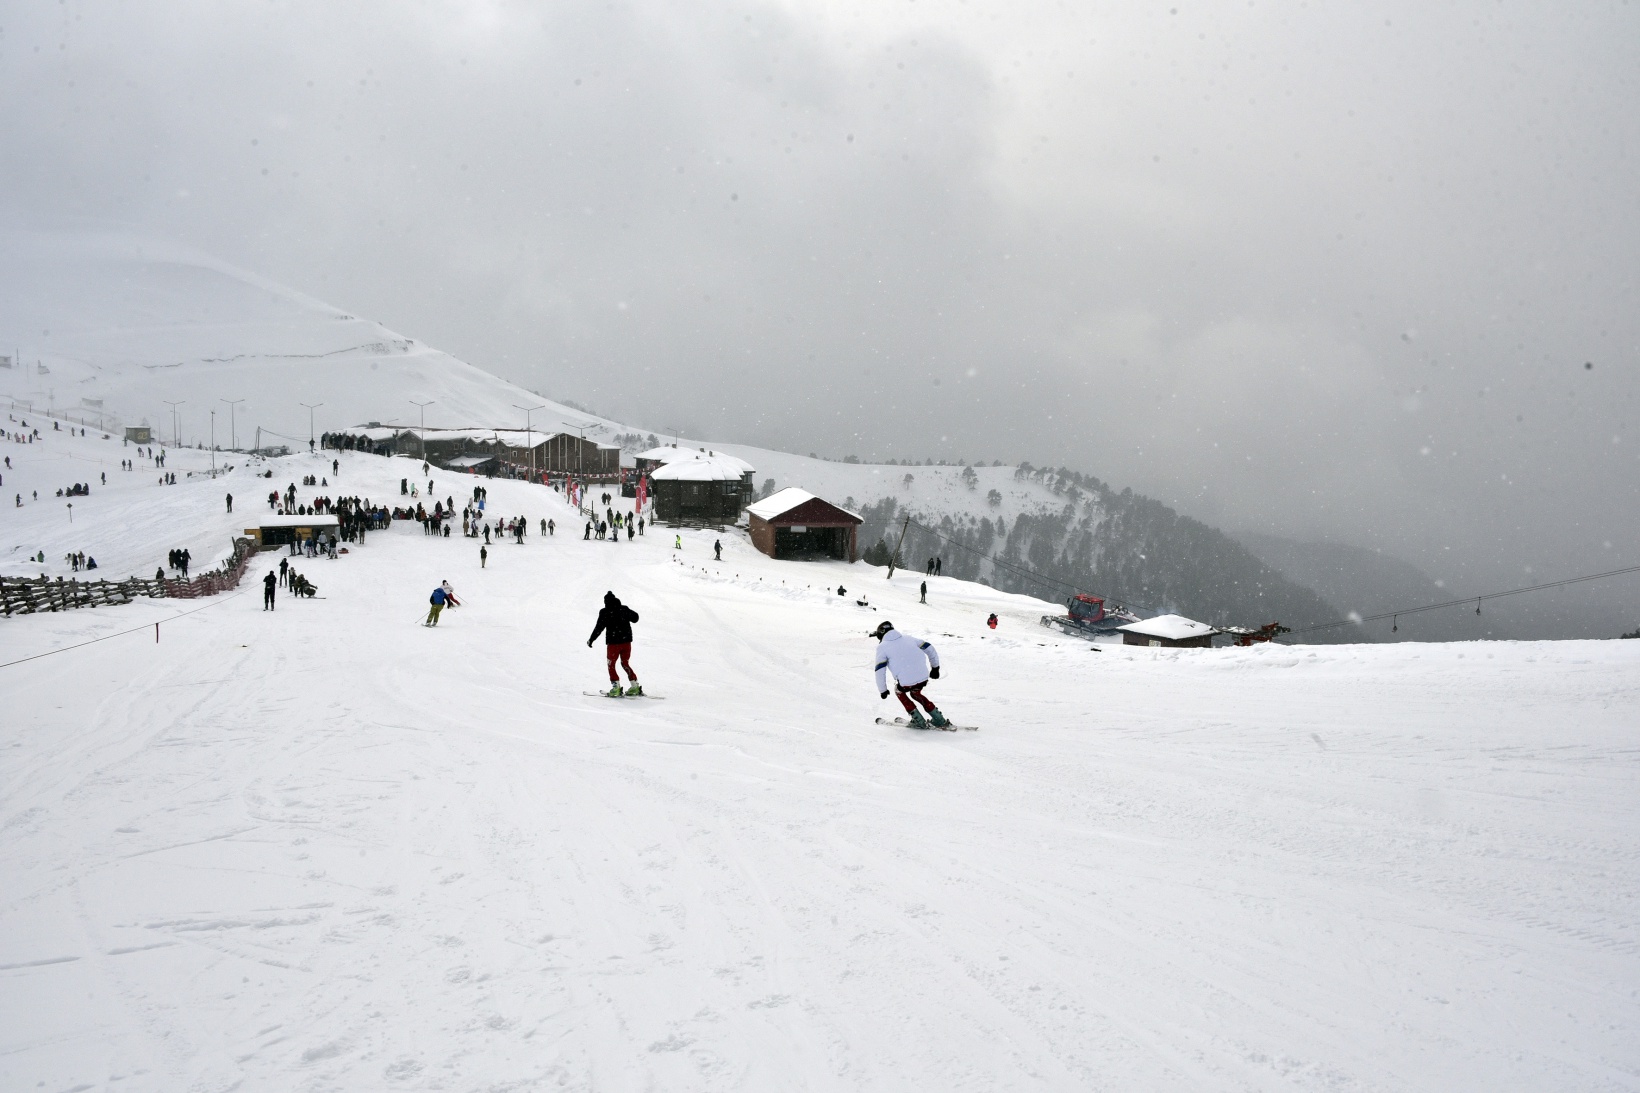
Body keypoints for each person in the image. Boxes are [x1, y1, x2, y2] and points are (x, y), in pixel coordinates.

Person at [871, 619, 949, 729]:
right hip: (923, 677)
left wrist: (883, 690)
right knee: (915, 693)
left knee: (899, 691)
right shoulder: (909, 638)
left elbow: (879, 670)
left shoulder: (882, 647)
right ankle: (938, 718)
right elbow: (929, 647)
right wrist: (935, 668)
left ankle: (918, 720)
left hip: (906, 682)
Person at [587, 591, 642, 696]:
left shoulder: (605, 612)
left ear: (606, 602)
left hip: (614, 644)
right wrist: (626, 613)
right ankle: (635, 686)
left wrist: (591, 639)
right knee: (625, 663)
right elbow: (636, 618)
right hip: (626, 642)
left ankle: (616, 687)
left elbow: (599, 627)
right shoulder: (624, 609)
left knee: (611, 665)